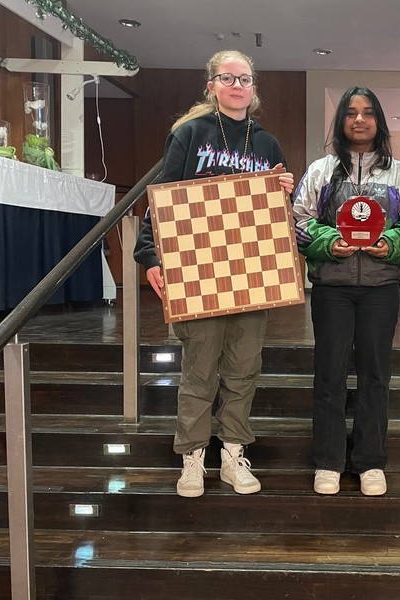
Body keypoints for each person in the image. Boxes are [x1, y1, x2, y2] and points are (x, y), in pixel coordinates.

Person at [133, 50, 294, 498]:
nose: (237, 85)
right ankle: (192, 458)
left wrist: (285, 191)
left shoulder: (267, 144)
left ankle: (233, 454)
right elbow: (163, 198)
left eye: (245, 79)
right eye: (228, 78)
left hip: (253, 272)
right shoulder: (189, 134)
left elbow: (279, 217)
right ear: (211, 85)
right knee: (199, 369)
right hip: (197, 269)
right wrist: (150, 256)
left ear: (254, 87)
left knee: (244, 368)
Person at [292, 87, 400, 496]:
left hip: (380, 289)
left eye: (368, 112)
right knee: (329, 374)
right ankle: (328, 461)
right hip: (331, 289)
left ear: (378, 121)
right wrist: (329, 243)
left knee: (376, 375)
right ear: (341, 122)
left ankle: (370, 461)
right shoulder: (320, 171)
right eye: (351, 113)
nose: (359, 119)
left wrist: (392, 246)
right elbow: (299, 222)